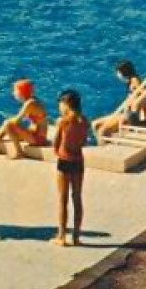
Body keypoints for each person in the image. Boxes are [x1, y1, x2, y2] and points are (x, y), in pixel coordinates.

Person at [51, 89, 90, 247]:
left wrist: (57, 152)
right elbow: (83, 142)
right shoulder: (85, 121)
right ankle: (76, 236)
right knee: (77, 198)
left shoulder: (63, 121)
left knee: (62, 199)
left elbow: (56, 142)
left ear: (66, 104)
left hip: (64, 161)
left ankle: (61, 236)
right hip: (78, 161)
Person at [91, 61, 146, 138]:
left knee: (102, 131)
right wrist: (145, 116)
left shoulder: (134, 80)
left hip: (128, 117)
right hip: (125, 114)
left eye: (118, 72)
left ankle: (104, 146)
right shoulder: (131, 81)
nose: (117, 75)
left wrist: (136, 105)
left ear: (124, 72)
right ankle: (105, 144)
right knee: (95, 124)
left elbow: (145, 95)